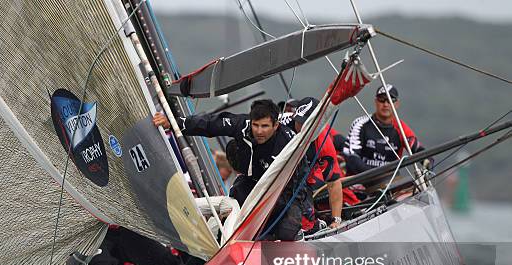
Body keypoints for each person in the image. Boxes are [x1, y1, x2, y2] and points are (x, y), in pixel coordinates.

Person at [153, 99, 312, 241]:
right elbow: (210, 123)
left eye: (265, 126)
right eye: (256, 125)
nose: (259, 131)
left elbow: (301, 181)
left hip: (284, 188)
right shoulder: (242, 124)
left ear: (275, 126)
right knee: (233, 208)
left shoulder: (290, 143)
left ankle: (287, 236)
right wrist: (174, 123)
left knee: (286, 231)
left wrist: (296, 207)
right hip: (252, 179)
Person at [282, 97, 344, 229]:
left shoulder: (324, 143)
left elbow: (333, 183)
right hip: (270, 173)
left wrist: (336, 220)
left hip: (301, 181)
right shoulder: (280, 123)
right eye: (299, 121)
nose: (302, 127)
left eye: (307, 124)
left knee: (306, 225)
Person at [343, 84, 425, 175]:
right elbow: (351, 158)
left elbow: (418, 150)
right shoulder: (360, 124)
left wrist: (427, 162)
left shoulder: (401, 128)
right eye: (382, 100)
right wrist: (375, 176)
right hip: (360, 181)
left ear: (397, 104)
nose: (385, 104)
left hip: (391, 183)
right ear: (375, 102)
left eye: (390, 100)